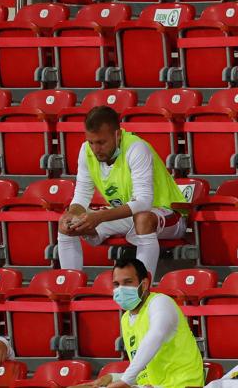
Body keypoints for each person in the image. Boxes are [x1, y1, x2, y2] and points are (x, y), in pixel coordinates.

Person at [57, 106, 189, 277]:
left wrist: (99, 217)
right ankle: (70, 285)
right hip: (128, 214)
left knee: (143, 218)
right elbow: (81, 196)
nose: (96, 149)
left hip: (168, 213)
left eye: (101, 142)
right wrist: (73, 214)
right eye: (91, 142)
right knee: (66, 222)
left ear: (117, 135)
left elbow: (143, 202)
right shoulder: (86, 151)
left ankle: (143, 289)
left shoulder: (137, 148)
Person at [87, 257, 205, 388]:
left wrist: (125, 380)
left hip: (183, 385)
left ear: (144, 284)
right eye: (116, 284)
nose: (121, 289)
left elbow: (156, 335)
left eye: (128, 282)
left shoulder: (160, 302)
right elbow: (143, 371)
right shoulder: (126, 319)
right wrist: (111, 377)